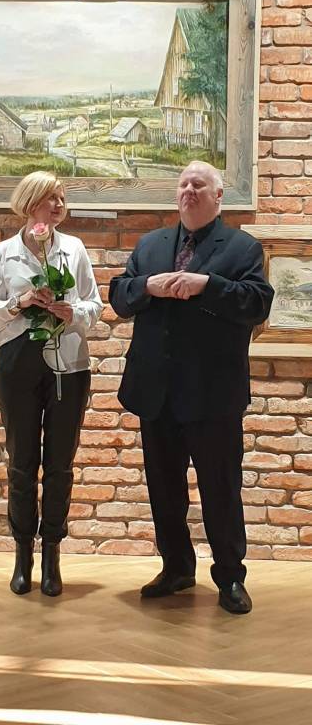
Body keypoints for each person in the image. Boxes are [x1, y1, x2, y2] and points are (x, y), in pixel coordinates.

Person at [109, 161, 274, 615]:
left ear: (218, 196)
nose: (188, 190)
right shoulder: (151, 244)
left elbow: (258, 303)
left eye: (198, 185)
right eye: (183, 184)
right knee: (164, 491)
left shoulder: (242, 247)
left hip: (212, 394)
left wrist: (208, 285)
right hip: (155, 393)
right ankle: (177, 568)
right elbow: (119, 296)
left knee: (220, 490)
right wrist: (148, 285)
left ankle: (230, 577)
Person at [0, 171, 102, 597]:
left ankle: (52, 554)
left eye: (62, 198)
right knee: (21, 462)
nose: (59, 205)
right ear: (31, 203)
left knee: (60, 464)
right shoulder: (4, 253)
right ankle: (22, 555)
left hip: (69, 364)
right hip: (18, 362)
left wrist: (73, 313)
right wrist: (20, 303)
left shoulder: (74, 249)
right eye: (52, 198)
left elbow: (94, 305)